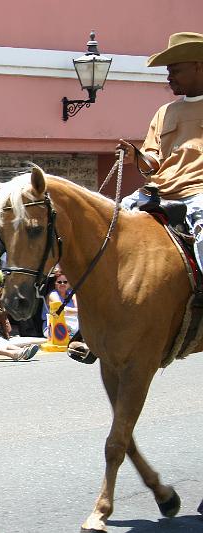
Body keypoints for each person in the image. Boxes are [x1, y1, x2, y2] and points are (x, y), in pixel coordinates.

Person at [72, 32, 203, 362]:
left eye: (175, 68)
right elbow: (152, 162)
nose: (168, 75)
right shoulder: (164, 112)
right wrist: (135, 155)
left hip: (200, 192)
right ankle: (90, 325)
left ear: (198, 67)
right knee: (108, 225)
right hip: (159, 191)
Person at [42, 269, 79, 338]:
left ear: (69, 283)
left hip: (73, 326)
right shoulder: (52, 295)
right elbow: (61, 310)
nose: (62, 284)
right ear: (55, 283)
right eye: (59, 282)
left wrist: (77, 311)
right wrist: (77, 311)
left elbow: (80, 309)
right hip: (53, 326)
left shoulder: (73, 294)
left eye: (65, 282)